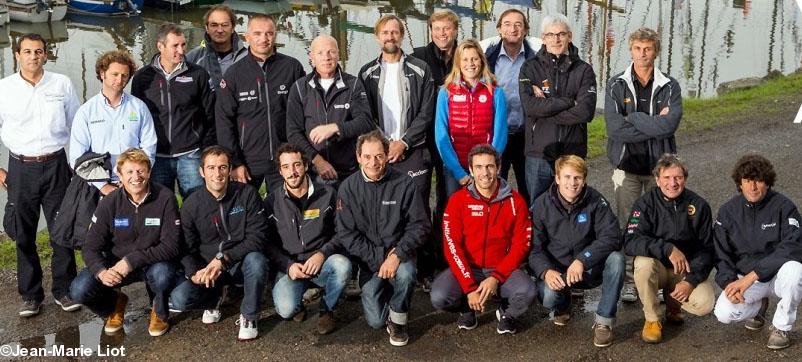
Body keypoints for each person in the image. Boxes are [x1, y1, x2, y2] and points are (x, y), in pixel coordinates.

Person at [0, 33, 82, 317]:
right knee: (23, 233)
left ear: (45, 54)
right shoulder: (4, 88)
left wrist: (76, 163)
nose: (33, 57)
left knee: (62, 231)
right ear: (17, 55)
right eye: (27, 51)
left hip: (57, 164)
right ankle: (31, 295)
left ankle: (65, 290)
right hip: (20, 168)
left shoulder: (61, 84)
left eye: (38, 52)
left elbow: (77, 125)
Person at [604, 27, 682, 303]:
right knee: (629, 224)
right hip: (626, 168)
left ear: (656, 51)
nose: (642, 54)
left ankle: (657, 279)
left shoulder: (669, 85)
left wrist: (633, 117)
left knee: (660, 224)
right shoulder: (616, 84)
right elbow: (615, 130)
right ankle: (629, 280)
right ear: (630, 50)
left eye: (647, 49)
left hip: (659, 169)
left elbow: (670, 124)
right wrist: (653, 123)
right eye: (637, 48)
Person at [359, 15, 437, 289]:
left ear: (402, 36)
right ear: (377, 36)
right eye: (385, 32)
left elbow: (427, 112)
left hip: (413, 150)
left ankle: (423, 269)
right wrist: (383, 145)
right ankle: (382, 264)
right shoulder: (366, 73)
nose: (390, 37)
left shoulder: (420, 68)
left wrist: (403, 141)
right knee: (381, 209)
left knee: (418, 211)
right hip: (380, 153)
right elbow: (365, 113)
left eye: (395, 32)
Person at [70, 148, 181, 337]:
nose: (136, 177)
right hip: (115, 265)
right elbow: (90, 247)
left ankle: (159, 311)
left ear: (149, 172)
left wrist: (131, 261)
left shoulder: (165, 198)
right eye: (129, 172)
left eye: (141, 171)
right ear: (119, 176)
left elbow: (172, 246)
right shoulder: (108, 203)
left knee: (163, 274)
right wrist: (101, 271)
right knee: (79, 290)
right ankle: (113, 306)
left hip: (152, 263)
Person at [335, 130, 430, 346]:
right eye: (367, 157)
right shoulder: (348, 189)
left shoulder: (404, 183)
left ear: (387, 155)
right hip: (370, 261)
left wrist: (397, 254)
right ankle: (385, 288)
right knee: (376, 321)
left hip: (399, 254)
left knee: (406, 274)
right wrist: (379, 258)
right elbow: (347, 234)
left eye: (379, 156)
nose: (373, 162)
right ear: (358, 157)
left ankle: (398, 318)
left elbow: (420, 225)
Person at [430, 144, 535, 334]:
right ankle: (467, 308)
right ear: (470, 170)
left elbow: (521, 245)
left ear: (498, 167)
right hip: (469, 268)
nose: (484, 173)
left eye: (489, 166)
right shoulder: (457, 201)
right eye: (478, 167)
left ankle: (506, 313)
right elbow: (452, 247)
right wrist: (469, 288)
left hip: (501, 269)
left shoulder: (516, 201)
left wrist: (496, 277)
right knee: (439, 296)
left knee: (527, 292)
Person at [169, 145, 269, 341]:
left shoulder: (247, 194)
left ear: (230, 169)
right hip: (209, 270)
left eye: (222, 167)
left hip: (239, 262)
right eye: (211, 168)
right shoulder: (191, 205)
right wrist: (193, 273)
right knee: (180, 299)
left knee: (257, 261)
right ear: (201, 171)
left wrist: (224, 259)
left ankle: (249, 315)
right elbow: (185, 248)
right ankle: (213, 299)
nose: (217, 173)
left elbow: (258, 236)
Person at [529, 155, 624, 348]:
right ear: (557, 178)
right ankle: (563, 305)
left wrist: (582, 260)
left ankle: (604, 322)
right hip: (558, 272)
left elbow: (612, 236)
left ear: (584, 179)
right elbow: (534, 248)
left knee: (617, 259)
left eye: (577, 178)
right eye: (567, 177)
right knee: (548, 296)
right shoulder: (541, 204)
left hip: (589, 269)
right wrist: (546, 271)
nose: (572, 183)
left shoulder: (596, 200)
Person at [713, 154, 802, 350]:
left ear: (768, 183)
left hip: (778, 276)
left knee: (796, 270)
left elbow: (793, 247)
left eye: (759, 181)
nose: (753, 187)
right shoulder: (728, 211)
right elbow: (721, 255)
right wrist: (729, 283)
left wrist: (753, 276)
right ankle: (758, 308)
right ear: (740, 183)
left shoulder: (784, 206)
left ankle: (781, 327)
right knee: (723, 314)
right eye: (747, 181)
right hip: (747, 280)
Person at [624, 154, 715, 343]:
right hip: (657, 268)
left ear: (685, 179)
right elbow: (631, 241)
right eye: (666, 178)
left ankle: (674, 305)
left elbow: (708, 249)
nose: (672, 183)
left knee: (705, 303)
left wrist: (690, 281)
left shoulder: (699, 205)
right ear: (657, 180)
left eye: (678, 177)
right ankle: (652, 319)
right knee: (643, 264)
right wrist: (667, 249)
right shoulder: (644, 203)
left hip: (684, 270)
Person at [264, 143, 351, 335]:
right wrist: (287, 265)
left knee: (343, 266)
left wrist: (323, 253)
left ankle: (326, 309)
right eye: (286, 167)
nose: (292, 172)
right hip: (291, 268)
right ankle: (298, 304)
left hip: (321, 263)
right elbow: (267, 243)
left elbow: (342, 232)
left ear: (305, 166)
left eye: (296, 165)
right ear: (280, 171)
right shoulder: (271, 202)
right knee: (286, 310)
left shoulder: (328, 194)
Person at [216, 14, 306, 192]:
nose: (264, 39)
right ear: (246, 36)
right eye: (257, 34)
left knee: (286, 212)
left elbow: (304, 113)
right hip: (248, 161)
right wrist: (234, 162)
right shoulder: (234, 74)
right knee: (243, 212)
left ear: (275, 34)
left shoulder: (292, 68)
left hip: (285, 159)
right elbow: (224, 121)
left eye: (269, 33)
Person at [518, 14, 597, 205]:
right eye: (550, 35)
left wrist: (546, 110)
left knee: (572, 205)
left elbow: (586, 112)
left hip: (572, 152)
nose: (556, 39)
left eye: (561, 34)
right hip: (539, 153)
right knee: (537, 208)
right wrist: (570, 102)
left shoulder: (584, 70)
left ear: (569, 36)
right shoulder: (529, 68)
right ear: (543, 38)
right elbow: (530, 107)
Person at [132, 23, 215, 199]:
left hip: (191, 154)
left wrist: (206, 150)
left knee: (195, 203)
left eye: (183, 45)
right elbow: (135, 118)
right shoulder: (142, 77)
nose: (181, 50)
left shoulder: (198, 74)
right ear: (160, 46)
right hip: (157, 156)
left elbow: (210, 115)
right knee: (161, 204)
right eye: (175, 45)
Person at [286, 34, 374, 188]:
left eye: (331, 52)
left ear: (339, 54)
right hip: (313, 172)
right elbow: (293, 132)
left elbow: (365, 122)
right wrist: (317, 161)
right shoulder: (299, 88)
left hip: (348, 171)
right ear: (311, 57)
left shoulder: (353, 85)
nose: (326, 57)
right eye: (320, 53)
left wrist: (336, 128)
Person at [412, 9, 460, 289]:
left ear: (456, 30)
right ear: (431, 30)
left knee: (447, 201)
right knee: (418, 201)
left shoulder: (464, 54)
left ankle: (446, 260)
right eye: (437, 29)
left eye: (447, 29)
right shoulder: (418, 56)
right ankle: (422, 261)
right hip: (422, 138)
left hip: (451, 139)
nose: (442, 34)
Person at [69, 50, 157, 195]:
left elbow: (149, 148)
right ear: (102, 74)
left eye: (124, 76)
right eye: (115, 74)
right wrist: (103, 186)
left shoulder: (139, 107)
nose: (120, 79)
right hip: (97, 188)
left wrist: (134, 179)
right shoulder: (86, 112)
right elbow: (77, 158)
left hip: (133, 184)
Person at [434, 39, 508, 197]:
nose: (470, 64)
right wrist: (458, 172)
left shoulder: (496, 93)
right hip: (456, 168)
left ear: (481, 61)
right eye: (465, 59)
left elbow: (500, 134)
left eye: (474, 58)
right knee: (457, 214)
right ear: (458, 63)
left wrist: (486, 167)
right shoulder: (446, 92)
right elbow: (441, 135)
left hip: (485, 169)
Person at [485, 8, 537, 204]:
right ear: (499, 29)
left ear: (525, 30)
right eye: (507, 24)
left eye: (518, 24)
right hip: (498, 135)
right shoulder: (487, 59)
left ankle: (529, 230)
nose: (513, 29)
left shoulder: (536, 59)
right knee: (495, 187)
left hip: (528, 135)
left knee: (529, 189)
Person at [185, 4, 248, 88]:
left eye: (225, 25)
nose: (220, 30)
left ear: (233, 28)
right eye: (214, 25)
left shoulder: (247, 58)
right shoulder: (194, 57)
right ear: (207, 28)